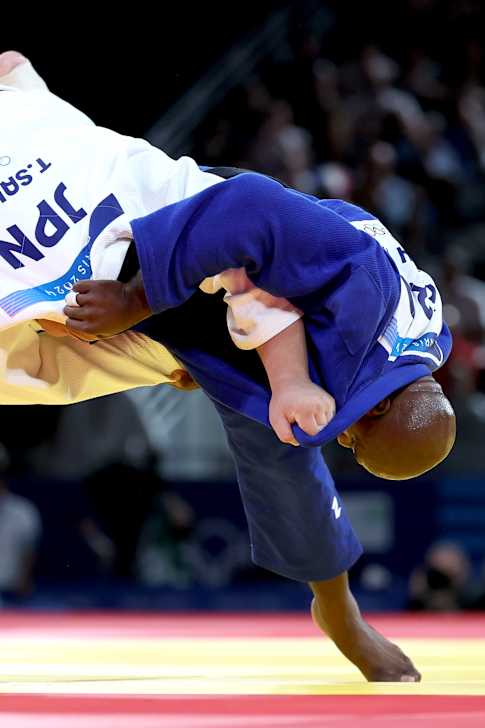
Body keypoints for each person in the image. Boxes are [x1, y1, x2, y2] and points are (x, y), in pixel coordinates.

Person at [0, 51, 457, 681]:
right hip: (183, 248)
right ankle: (22, 98)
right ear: (381, 403)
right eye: (353, 434)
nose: (340, 435)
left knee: (283, 445)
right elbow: (247, 208)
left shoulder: (417, 347)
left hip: (212, 314)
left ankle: (340, 614)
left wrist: (247, 369)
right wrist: (137, 301)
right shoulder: (363, 298)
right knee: (36, 336)